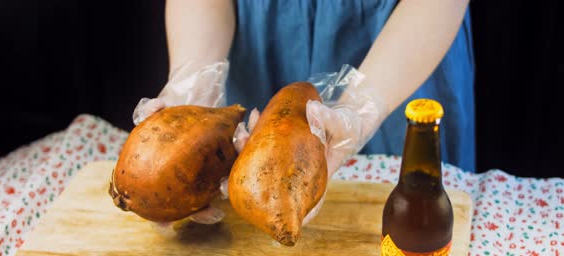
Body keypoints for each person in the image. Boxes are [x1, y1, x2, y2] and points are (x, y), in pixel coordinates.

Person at [135, 0, 474, 225]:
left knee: (411, 223)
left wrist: (361, 109)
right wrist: (195, 81)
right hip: (252, 40)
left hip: (400, 54)